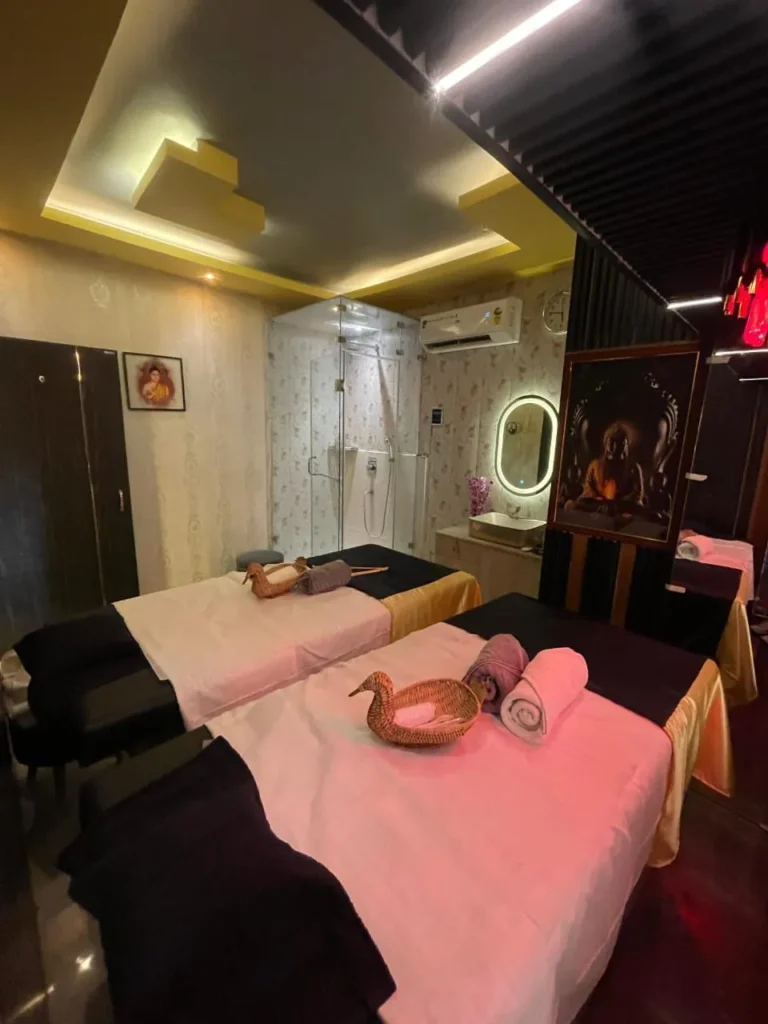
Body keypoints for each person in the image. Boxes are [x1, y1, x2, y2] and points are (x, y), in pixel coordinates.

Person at [566, 420, 645, 516]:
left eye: (620, 443)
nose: (615, 446)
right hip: (599, 503)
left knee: (638, 508)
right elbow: (589, 487)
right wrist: (599, 499)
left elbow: (637, 493)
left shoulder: (633, 467)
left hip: (622, 505)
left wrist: (617, 501)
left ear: (626, 445)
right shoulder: (595, 465)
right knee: (577, 504)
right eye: (612, 442)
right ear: (606, 443)